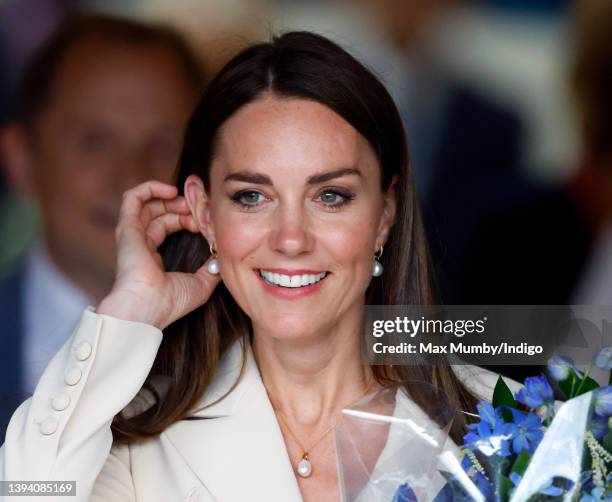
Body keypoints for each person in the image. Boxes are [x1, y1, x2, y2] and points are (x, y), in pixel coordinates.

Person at [1, 31, 507, 501]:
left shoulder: (508, 420)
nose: (291, 239)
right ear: (204, 212)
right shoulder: (132, 435)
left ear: (385, 214)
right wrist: (128, 313)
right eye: (251, 196)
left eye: (330, 196)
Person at [0, 14, 204, 437]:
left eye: (163, 144)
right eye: (94, 141)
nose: (130, 176)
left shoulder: (254, 335)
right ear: (22, 161)